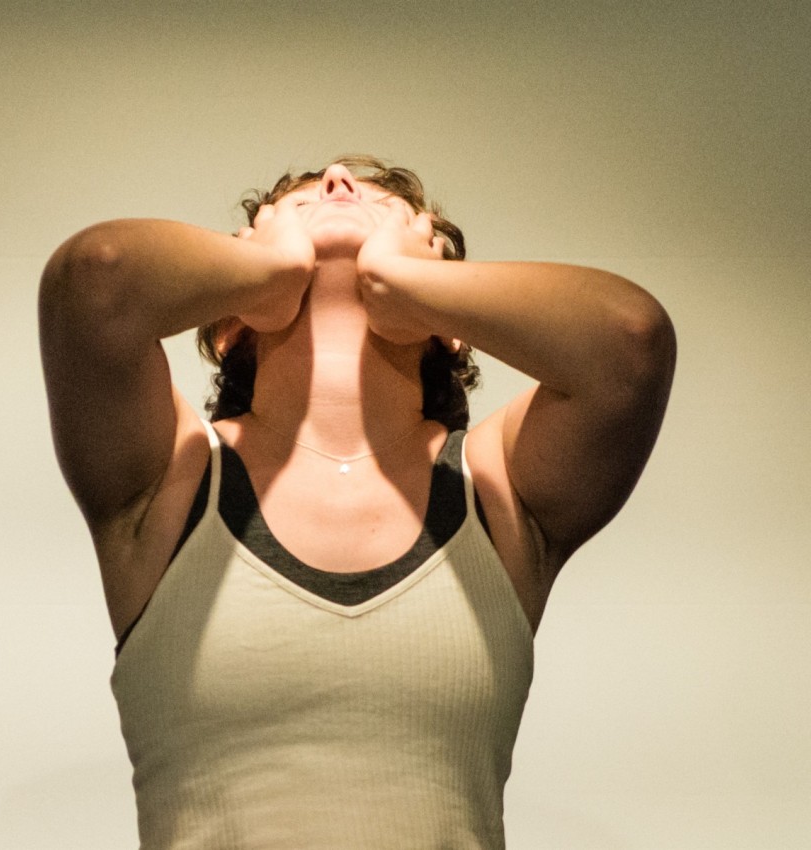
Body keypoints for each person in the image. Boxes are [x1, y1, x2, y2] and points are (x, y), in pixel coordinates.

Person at [38, 155, 675, 848]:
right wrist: (274, 268)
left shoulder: (494, 487)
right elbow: (96, 278)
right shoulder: (178, 475)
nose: (338, 177)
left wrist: (404, 280)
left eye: (379, 199)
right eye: (300, 200)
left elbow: (631, 342)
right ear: (229, 327)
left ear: (450, 321)